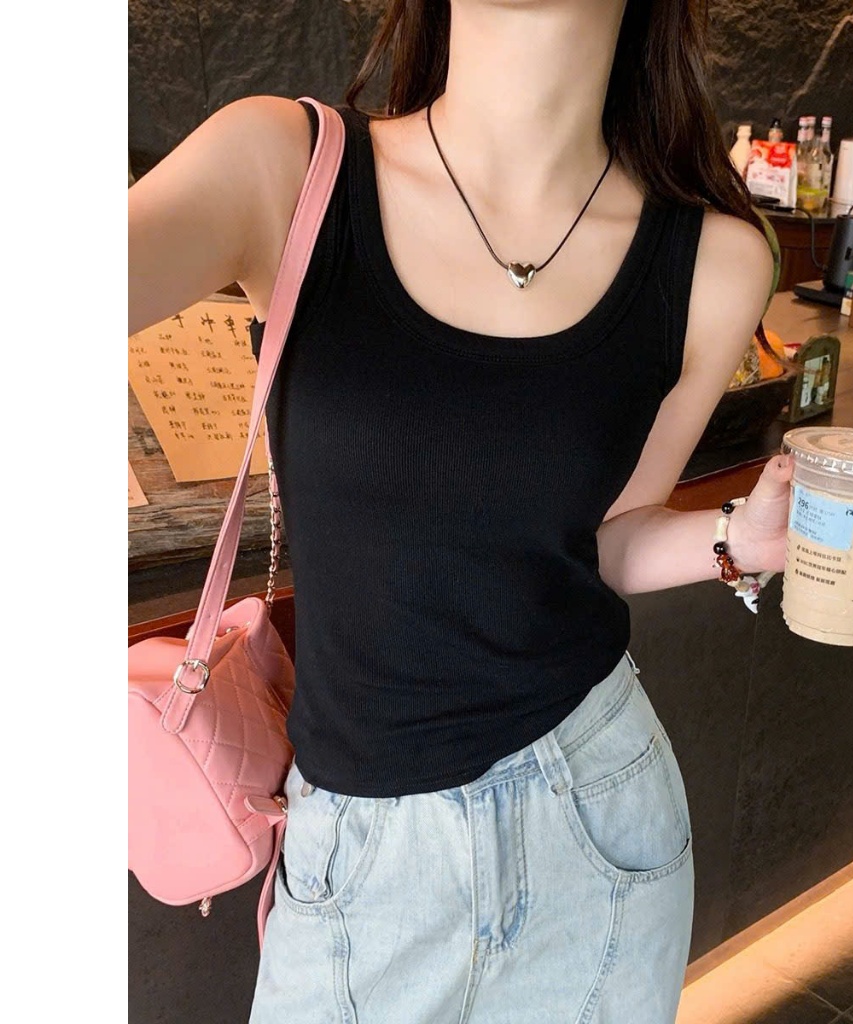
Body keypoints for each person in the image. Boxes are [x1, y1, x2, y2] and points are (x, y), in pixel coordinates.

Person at [129, 1, 794, 1020]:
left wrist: (734, 538)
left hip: (595, 822)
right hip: (359, 847)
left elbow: (605, 539)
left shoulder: (714, 260)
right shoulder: (284, 166)